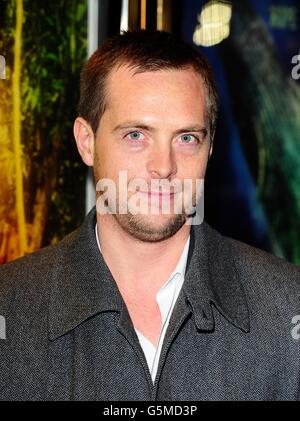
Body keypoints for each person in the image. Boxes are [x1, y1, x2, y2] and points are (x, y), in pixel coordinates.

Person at [0, 30, 300, 401]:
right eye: (136, 135)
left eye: (186, 138)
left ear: (209, 149)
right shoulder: (10, 308)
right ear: (86, 141)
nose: (164, 166)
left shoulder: (288, 307)